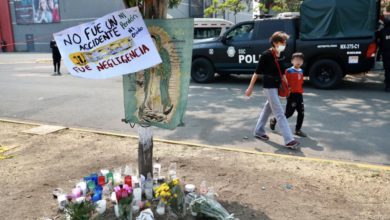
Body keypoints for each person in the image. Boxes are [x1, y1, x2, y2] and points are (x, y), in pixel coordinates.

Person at [245, 31, 300, 149]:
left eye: (285, 42)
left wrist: (288, 87)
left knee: (267, 109)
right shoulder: (266, 55)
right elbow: (256, 73)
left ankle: (259, 131)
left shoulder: (281, 55)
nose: (285, 44)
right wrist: (250, 88)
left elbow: (283, 74)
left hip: (277, 85)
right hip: (269, 86)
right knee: (279, 113)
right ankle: (289, 140)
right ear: (275, 43)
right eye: (282, 42)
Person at [270, 52, 307, 137]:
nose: (298, 61)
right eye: (296, 60)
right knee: (289, 113)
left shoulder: (301, 71)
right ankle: (275, 119)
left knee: (301, 113)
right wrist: (286, 92)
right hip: (291, 95)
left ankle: (298, 130)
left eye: (300, 60)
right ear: (292, 61)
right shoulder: (289, 71)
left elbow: (300, 82)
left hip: (299, 94)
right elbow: (283, 82)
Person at [379, 16, 390, 92]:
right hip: (386, 53)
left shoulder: (382, 32)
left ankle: (388, 86)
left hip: (386, 54)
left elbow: (379, 42)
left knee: (387, 70)